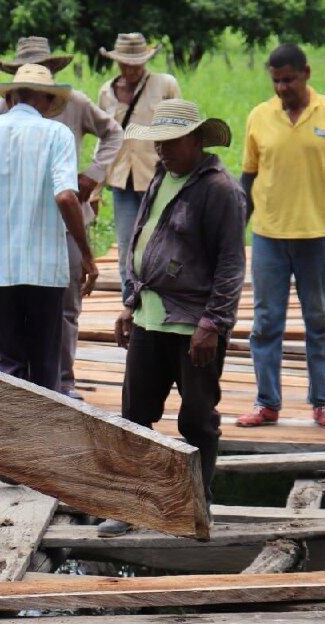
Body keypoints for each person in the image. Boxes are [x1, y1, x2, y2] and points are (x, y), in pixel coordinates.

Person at [97, 99, 246, 537]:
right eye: (158, 142)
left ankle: (199, 504)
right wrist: (130, 302)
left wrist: (212, 323)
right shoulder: (161, 176)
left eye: (172, 142)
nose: (162, 150)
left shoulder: (220, 190)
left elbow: (231, 264)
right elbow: (143, 240)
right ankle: (130, 506)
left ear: (197, 140)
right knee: (134, 415)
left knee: (197, 420)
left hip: (193, 324)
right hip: (150, 316)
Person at [236, 44, 325, 431]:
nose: (282, 88)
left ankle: (323, 403)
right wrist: (233, 233)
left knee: (319, 321)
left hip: (321, 236)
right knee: (265, 323)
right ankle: (267, 403)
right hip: (269, 237)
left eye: (289, 80)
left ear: (306, 73)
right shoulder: (259, 117)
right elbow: (247, 180)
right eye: (276, 81)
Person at [0, 64, 100, 392]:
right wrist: (86, 254)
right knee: (44, 364)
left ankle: (12, 421)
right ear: (46, 100)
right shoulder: (57, 134)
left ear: (11, 98)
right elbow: (66, 196)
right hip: (45, 270)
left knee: (9, 360)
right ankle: (43, 422)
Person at [0, 36, 123, 400]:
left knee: (65, 304)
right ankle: (21, 383)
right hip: (19, 224)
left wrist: (93, 174)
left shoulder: (74, 104)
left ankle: (63, 381)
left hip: (65, 223)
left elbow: (113, 132)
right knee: (20, 302)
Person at [96, 33, 182, 299]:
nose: (131, 70)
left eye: (136, 64)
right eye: (125, 64)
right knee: (127, 243)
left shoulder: (165, 85)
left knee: (161, 239)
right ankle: (130, 300)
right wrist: (96, 185)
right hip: (122, 178)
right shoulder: (106, 92)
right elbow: (104, 137)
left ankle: (164, 297)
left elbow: (180, 128)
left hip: (159, 176)